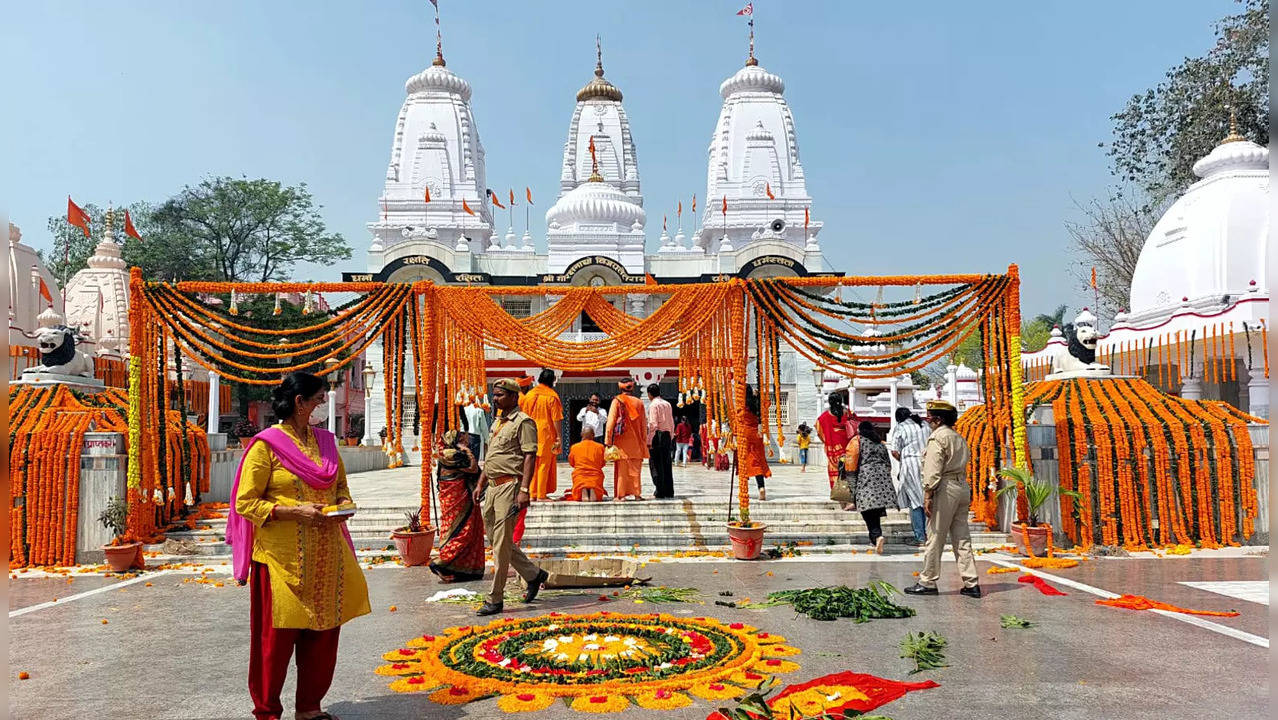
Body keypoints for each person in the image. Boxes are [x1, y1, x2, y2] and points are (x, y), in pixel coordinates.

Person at [229, 372, 370, 720]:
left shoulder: (325, 441)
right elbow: (245, 502)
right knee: (274, 644)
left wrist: (342, 507)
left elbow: (341, 489)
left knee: (322, 636)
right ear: (300, 402)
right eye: (319, 397)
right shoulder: (266, 445)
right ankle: (267, 711)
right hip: (281, 562)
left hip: (326, 558)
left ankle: (309, 708)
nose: (324, 403)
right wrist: (294, 512)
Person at [474, 378, 549, 616]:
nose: (495, 399)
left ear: (514, 397)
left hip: (510, 487)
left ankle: (495, 598)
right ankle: (534, 574)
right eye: (494, 395)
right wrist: (480, 483)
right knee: (498, 540)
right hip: (492, 488)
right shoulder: (497, 422)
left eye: (500, 395)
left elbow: (530, 456)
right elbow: (492, 454)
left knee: (500, 544)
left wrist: (525, 490)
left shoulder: (523, 422)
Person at [905, 400, 981, 598]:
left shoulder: (938, 438)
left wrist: (928, 495)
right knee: (962, 537)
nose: (927, 420)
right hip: (962, 487)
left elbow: (932, 471)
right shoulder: (958, 437)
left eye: (930, 417)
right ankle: (971, 582)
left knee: (935, 536)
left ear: (938, 420)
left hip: (945, 488)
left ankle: (928, 581)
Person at [429, 430, 485, 583]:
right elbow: (473, 468)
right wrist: (468, 452)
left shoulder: (448, 452)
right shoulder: (451, 454)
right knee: (462, 532)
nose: (466, 440)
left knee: (468, 530)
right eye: (462, 438)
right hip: (457, 497)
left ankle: (464, 570)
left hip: (457, 496)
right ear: (454, 440)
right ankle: (441, 562)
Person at [843, 422, 897, 554]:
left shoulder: (857, 441)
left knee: (866, 509)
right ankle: (875, 538)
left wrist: (852, 485)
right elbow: (888, 464)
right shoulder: (880, 443)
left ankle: (876, 536)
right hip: (882, 478)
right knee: (874, 509)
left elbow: (851, 463)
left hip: (866, 477)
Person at [889, 407, 930, 546]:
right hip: (928, 463)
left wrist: (904, 459)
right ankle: (930, 534)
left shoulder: (901, 427)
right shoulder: (925, 424)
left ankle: (920, 537)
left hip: (910, 464)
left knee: (915, 501)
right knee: (926, 498)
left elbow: (894, 451)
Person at [521, 369, 564, 501]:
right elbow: (556, 418)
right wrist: (559, 437)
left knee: (532, 463)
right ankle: (541, 494)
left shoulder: (529, 395)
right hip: (546, 433)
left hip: (529, 432)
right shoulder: (551, 396)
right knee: (543, 464)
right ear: (552, 380)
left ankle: (532, 493)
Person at [604, 378, 648, 501]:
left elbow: (611, 422)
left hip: (621, 442)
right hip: (637, 442)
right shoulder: (639, 403)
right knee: (635, 470)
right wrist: (644, 441)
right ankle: (637, 494)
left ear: (620, 388)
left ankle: (621, 495)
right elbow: (644, 424)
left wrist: (608, 440)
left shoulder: (617, 401)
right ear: (632, 388)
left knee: (622, 470)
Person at [816, 392, 858, 490]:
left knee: (835, 470)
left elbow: (819, 430)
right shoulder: (849, 413)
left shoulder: (825, 416)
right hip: (849, 445)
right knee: (850, 469)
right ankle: (850, 492)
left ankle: (838, 492)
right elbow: (856, 426)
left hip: (833, 446)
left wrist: (826, 440)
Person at [737, 385, 772, 501]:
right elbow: (766, 405)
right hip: (756, 434)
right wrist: (758, 396)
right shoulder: (756, 404)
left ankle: (743, 488)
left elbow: (738, 419)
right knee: (757, 460)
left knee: (744, 460)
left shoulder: (742, 406)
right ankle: (761, 487)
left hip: (745, 434)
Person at [646, 384, 675, 499]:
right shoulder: (667, 404)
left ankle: (659, 490)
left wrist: (649, 440)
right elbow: (671, 422)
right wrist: (671, 436)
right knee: (667, 463)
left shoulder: (653, 405)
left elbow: (653, 424)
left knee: (656, 464)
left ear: (649, 394)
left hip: (657, 435)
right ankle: (669, 490)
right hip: (667, 435)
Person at [568, 426, 606, 501]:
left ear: (581, 435)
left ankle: (583, 489)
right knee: (595, 481)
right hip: (595, 475)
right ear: (593, 435)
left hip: (580, 475)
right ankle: (592, 489)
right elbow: (603, 463)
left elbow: (572, 463)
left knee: (579, 479)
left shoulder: (574, 447)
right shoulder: (600, 447)